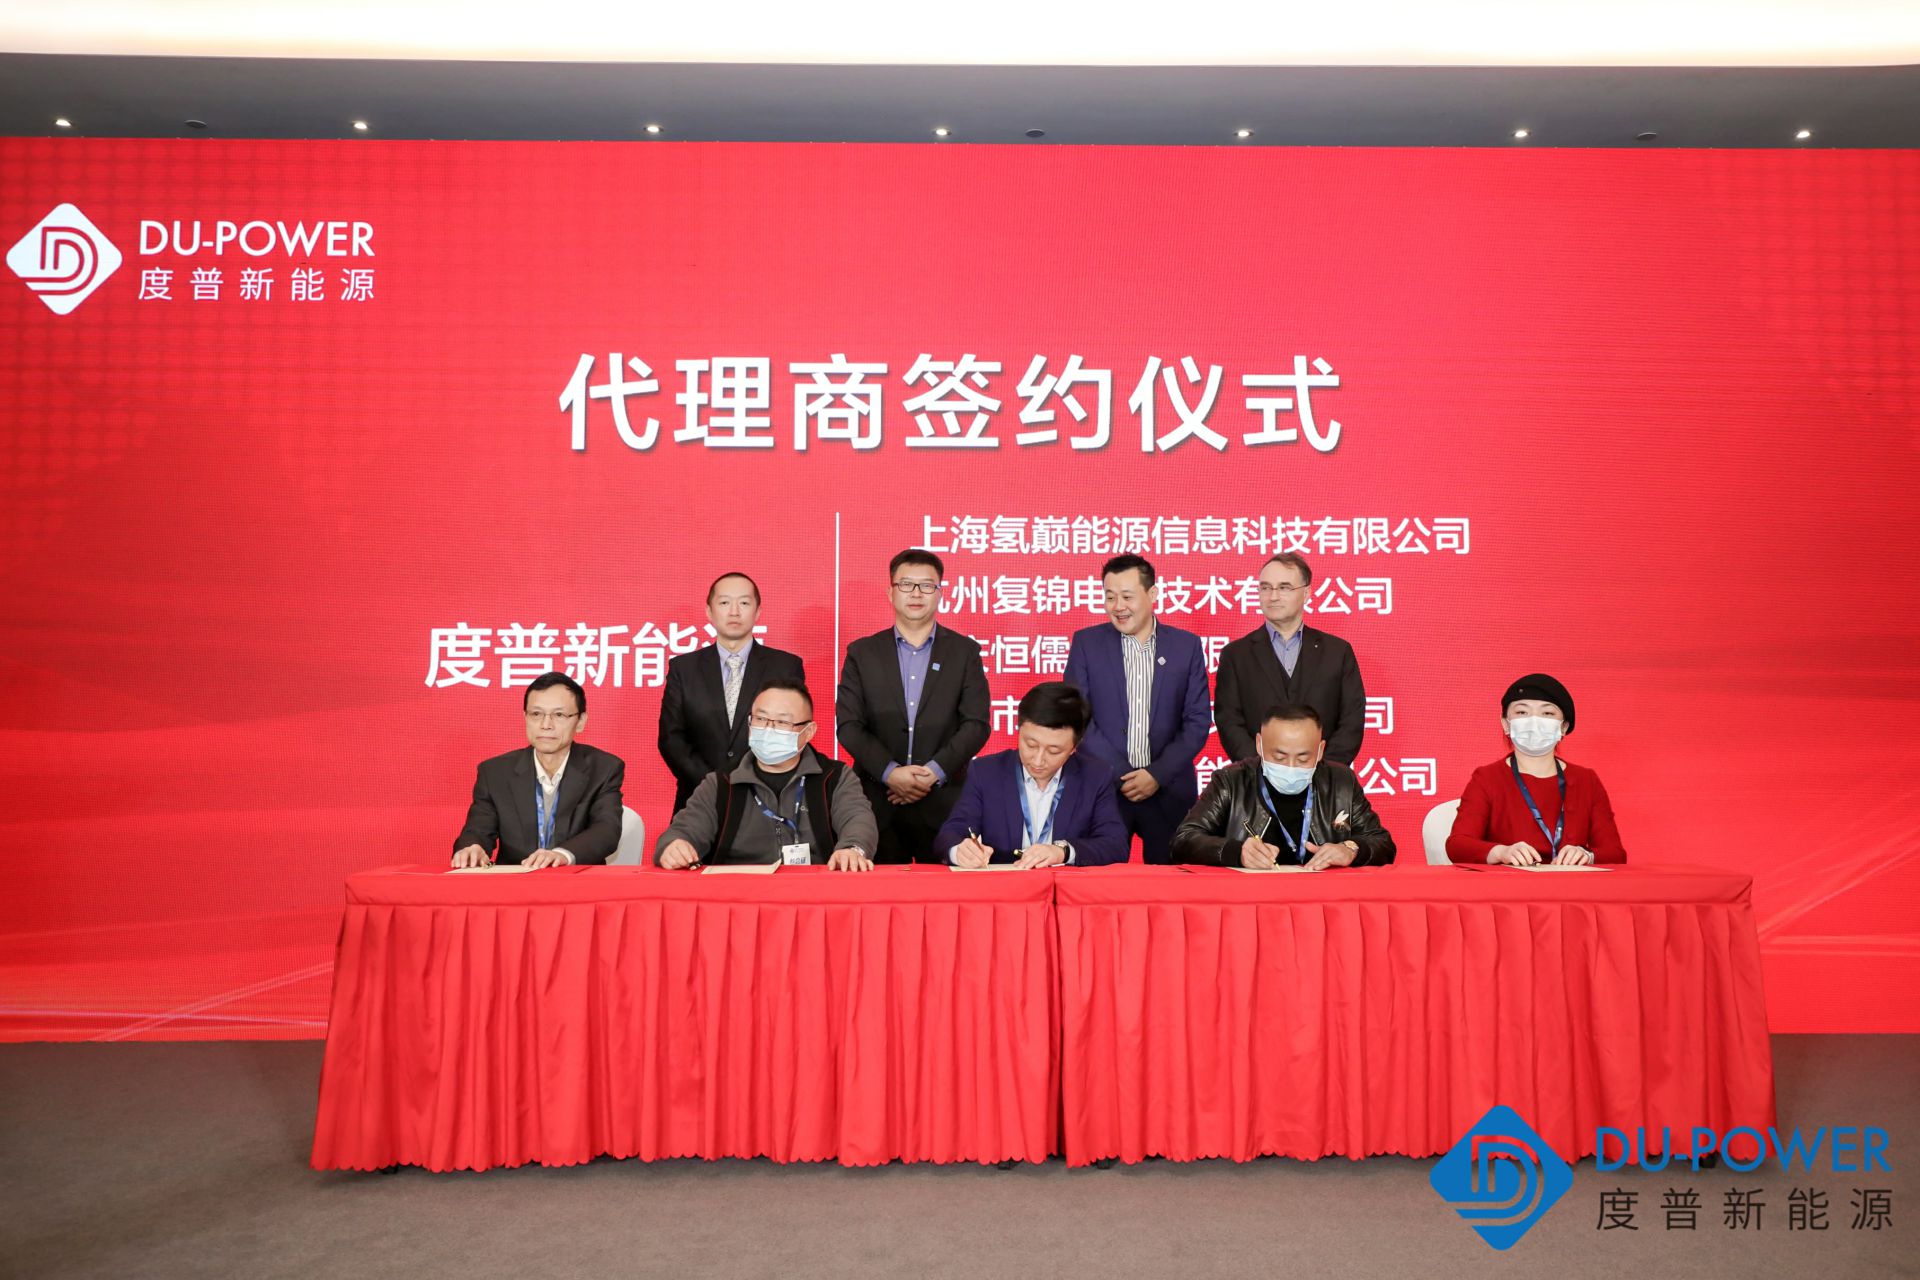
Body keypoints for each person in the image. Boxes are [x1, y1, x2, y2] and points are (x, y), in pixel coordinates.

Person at [836, 549, 991, 862]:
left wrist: (931, 774)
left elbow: (976, 725)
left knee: (948, 890)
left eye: (927, 585)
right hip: (877, 802)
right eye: (906, 584)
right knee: (876, 891)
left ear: (940, 593)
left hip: (944, 804)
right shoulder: (862, 653)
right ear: (891, 592)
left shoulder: (965, 652)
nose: (916, 593)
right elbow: (849, 726)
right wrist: (890, 773)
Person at [1063, 554, 1213, 864]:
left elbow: (1197, 720)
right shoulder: (1086, 644)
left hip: (1169, 789)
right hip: (1103, 789)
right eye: (1110, 596)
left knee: (1170, 882)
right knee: (1098, 883)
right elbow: (1078, 716)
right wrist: (1122, 774)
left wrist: (1156, 774)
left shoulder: (1186, 647)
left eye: (1127, 596)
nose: (1118, 606)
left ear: (1152, 594)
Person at [654, 680, 878, 870]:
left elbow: (857, 820)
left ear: (809, 731)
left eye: (782, 722)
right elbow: (683, 830)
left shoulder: (835, 777)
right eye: (760, 719)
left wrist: (852, 849)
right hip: (738, 896)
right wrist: (674, 846)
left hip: (814, 893)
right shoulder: (721, 782)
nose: (769, 729)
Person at [1170, 704, 1394, 869]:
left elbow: (1382, 843)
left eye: (1303, 758)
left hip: (1322, 899)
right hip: (1248, 900)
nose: (1291, 766)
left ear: (1320, 750)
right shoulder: (1231, 781)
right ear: (1259, 744)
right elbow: (1183, 840)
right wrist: (1236, 852)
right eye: (1279, 757)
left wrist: (1351, 849)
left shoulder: (1341, 782)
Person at [933, 682, 1129, 868]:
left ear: (1074, 747)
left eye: (1053, 751)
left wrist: (1063, 852)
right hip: (1004, 887)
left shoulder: (1095, 776)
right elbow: (950, 834)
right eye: (1031, 745)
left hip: (1064, 888)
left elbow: (1116, 845)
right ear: (1019, 730)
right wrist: (959, 851)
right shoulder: (985, 772)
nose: (1038, 760)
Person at [657, 571, 806, 811]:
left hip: (765, 799)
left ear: (758, 612)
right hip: (698, 799)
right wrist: (713, 784)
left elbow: (790, 733)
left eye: (744, 603)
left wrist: (752, 782)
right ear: (709, 611)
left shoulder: (785, 666)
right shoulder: (683, 669)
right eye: (725, 603)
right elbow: (671, 738)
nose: (734, 612)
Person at [1445, 673, 1626, 866]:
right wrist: (1501, 852)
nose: (1534, 721)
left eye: (1547, 713)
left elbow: (1615, 853)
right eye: (1522, 712)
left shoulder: (1586, 780)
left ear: (1563, 727)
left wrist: (1587, 855)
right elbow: (1458, 844)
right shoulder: (1487, 778)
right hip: (1509, 881)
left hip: (1570, 882)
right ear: (1506, 723)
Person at [451, 671, 626, 868]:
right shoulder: (495, 772)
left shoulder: (603, 768)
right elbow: (478, 829)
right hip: (515, 880)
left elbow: (606, 830)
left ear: (580, 721)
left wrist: (562, 855)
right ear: (525, 717)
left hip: (576, 879)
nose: (546, 725)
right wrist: (472, 847)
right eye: (536, 714)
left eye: (559, 715)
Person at [1213, 553, 1366, 765]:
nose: (1273, 596)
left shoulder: (1337, 652)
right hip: (1257, 779)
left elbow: (1351, 720)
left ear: (1306, 593)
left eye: (1284, 587)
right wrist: (1262, 771)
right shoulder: (1236, 655)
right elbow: (1229, 721)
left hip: (1324, 778)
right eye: (1265, 588)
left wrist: (1323, 772)